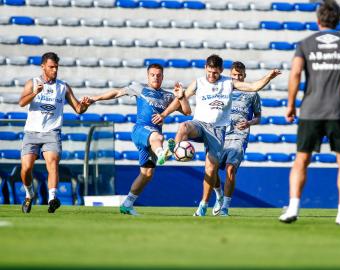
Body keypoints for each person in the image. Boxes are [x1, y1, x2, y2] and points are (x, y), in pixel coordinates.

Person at [154, 54, 281, 216]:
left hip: (218, 131)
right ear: (205, 69)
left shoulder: (229, 83)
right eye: (209, 72)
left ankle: (203, 205)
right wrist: (164, 114)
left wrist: (268, 77)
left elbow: (254, 87)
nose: (211, 76)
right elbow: (180, 99)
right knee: (183, 126)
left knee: (210, 169)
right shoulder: (198, 83)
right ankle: (175, 151)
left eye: (215, 73)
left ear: (221, 70)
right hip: (200, 124)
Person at [279, 0, 340, 226]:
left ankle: (292, 208)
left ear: (318, 19)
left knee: (301, 159)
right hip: (339, 112)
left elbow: (295, 74)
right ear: (338, 20)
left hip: (310, 110)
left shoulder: (305, 44)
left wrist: (290, 104)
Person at [86, 63, 191, 216]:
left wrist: (181, 97)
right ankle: (163, 153)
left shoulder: (168, 96)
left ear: (162, 77)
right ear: (148, 76)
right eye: (152, 75)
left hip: (151, 142)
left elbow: (187, 111)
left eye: (158, 75)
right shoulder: (139, 88)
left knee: (147, 174)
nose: (155, 77)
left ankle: (127, 204)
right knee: (159, 137)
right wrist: (95, 98)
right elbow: (116, 93)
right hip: (141, 131)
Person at [19, 52, 91, 214]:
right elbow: (22, 102)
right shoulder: (33, 83)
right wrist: (35, 93)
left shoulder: (63, 86)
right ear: (43, 66)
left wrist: (85, 105)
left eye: (56, 67)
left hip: (52, 132)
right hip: (31, 132)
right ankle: (29, 193)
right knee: (26, 169)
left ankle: (52, 198)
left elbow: (78, 109)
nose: (54, 70)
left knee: (52, 163)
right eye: (51, 67)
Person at [207, 61, 262, 216]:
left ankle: (225, 207)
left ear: (244, 75)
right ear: (230, 76)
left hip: (239, 135)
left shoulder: (252, 94)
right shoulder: (222, 90)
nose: (237, 77)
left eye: (240, 74)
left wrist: (249, 122)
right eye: (234, 75)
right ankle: (219, 195)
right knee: (213, 170)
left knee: (231, 169)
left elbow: (258, 117)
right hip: (221, 134)